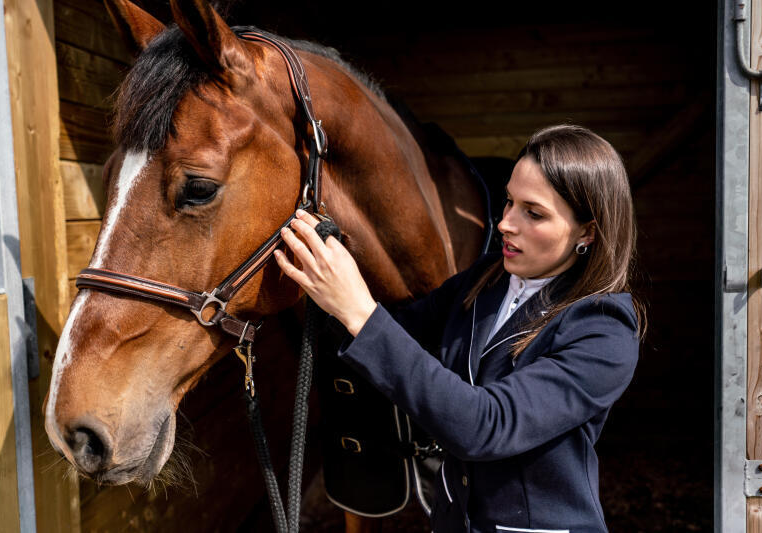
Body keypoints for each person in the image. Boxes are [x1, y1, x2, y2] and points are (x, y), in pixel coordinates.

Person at [273, 124, 644, 533]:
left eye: (533, 213)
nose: (504, 224)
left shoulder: (604, 329)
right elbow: (397, 335)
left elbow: (485, 426)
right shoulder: (486, 279)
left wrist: (360, 310)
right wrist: (316, 276)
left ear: (587, 232)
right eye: (508, 202)